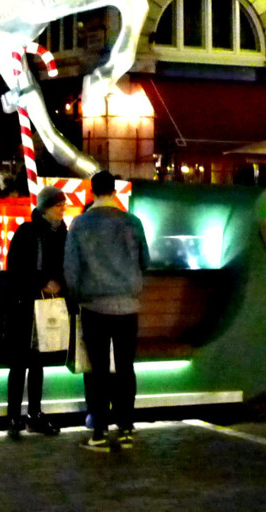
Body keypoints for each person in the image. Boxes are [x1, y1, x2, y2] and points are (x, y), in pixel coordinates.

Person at [64, 171, 149, 453]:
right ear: (114, 191)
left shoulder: (80, 224)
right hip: (127, 305)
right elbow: (145, 260)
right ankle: (126, 428)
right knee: (125, 367)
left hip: (93, 306)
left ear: (92, 192)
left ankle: (99, 430)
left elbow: (71, 269)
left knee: (97, 369)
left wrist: (75, 297)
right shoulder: (132, 222)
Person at [4, 186, 68, 439]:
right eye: (58, 205)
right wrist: (43, 281)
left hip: (46, 303)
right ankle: (16, 414)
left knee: (37, 362)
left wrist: (58, 281)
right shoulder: (28, 232)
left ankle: (31, 412)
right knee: (21, 361)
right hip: (26, 304)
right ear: (45, 208)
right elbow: (17, 268)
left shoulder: (61, 233)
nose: (63, 209)